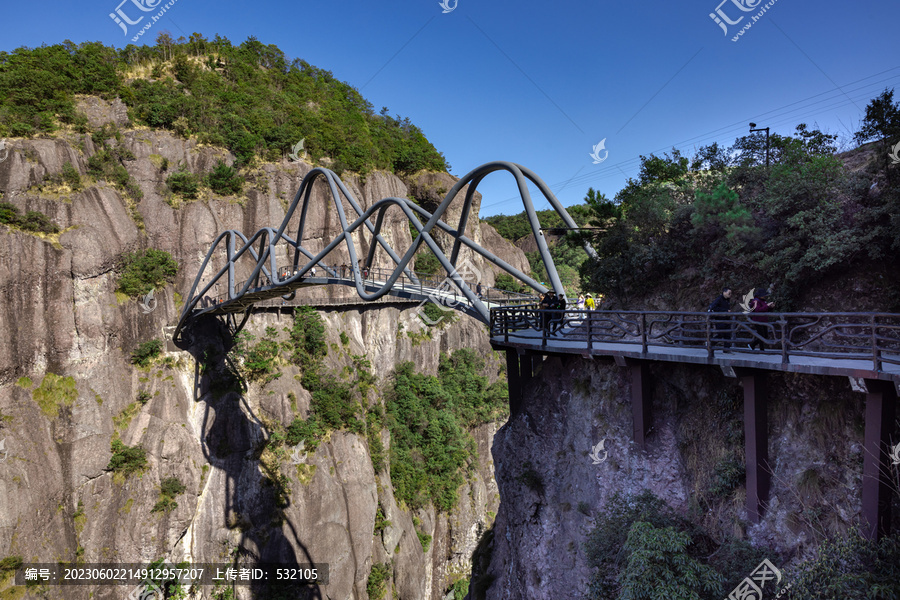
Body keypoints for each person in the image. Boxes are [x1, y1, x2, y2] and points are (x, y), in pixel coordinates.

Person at [708, 287, 733, 351]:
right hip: (720, 319)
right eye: (729, 293)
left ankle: (726, 349)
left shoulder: (727, 300)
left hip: (726, 319)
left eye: (731, 293)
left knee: (727, 334)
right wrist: (725, 310)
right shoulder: (719, 299)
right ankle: (711, 343)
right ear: (724, 292)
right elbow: (713, 307)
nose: (730, 294)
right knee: (720, 334)